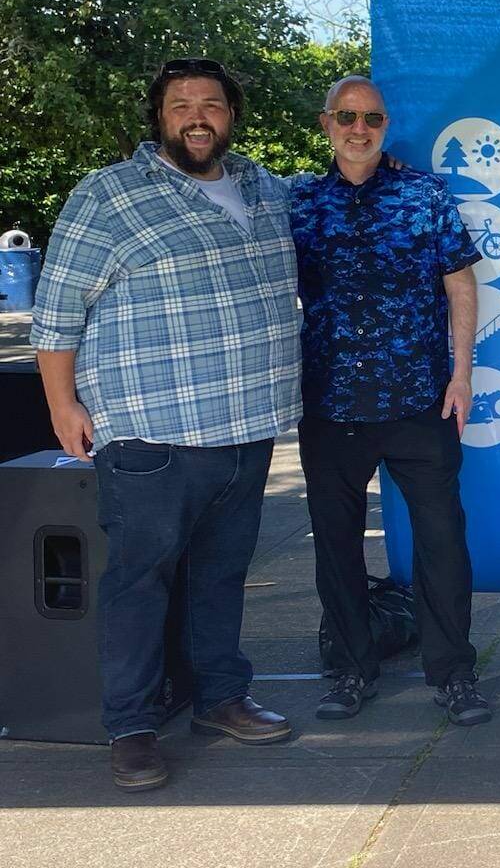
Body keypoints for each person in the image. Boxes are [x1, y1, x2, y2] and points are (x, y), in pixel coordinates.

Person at [32, 58, 299, 792]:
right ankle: (133, 727)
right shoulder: (109, 196)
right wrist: (63, 406)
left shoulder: (263, 188)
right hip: (152, 432)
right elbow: (56, 316)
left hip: (247, 428)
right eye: (182, 104)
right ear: (159, 116)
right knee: (140, 583)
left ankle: (221, 697)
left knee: (220, 576)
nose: (198, 116)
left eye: (211, 104)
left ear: (232, 115)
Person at [290, 75, 491, 726]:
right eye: (346, 117)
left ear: (384, 126)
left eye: (371, 118)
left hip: (418, 402)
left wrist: (462, 376)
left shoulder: (423, 194)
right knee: (337, 547)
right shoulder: (298, 203)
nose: (358, 128)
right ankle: (350, 670)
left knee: (442, 542)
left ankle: (453, 673)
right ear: (326, 124)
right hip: (330, 406)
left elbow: (460, 286)